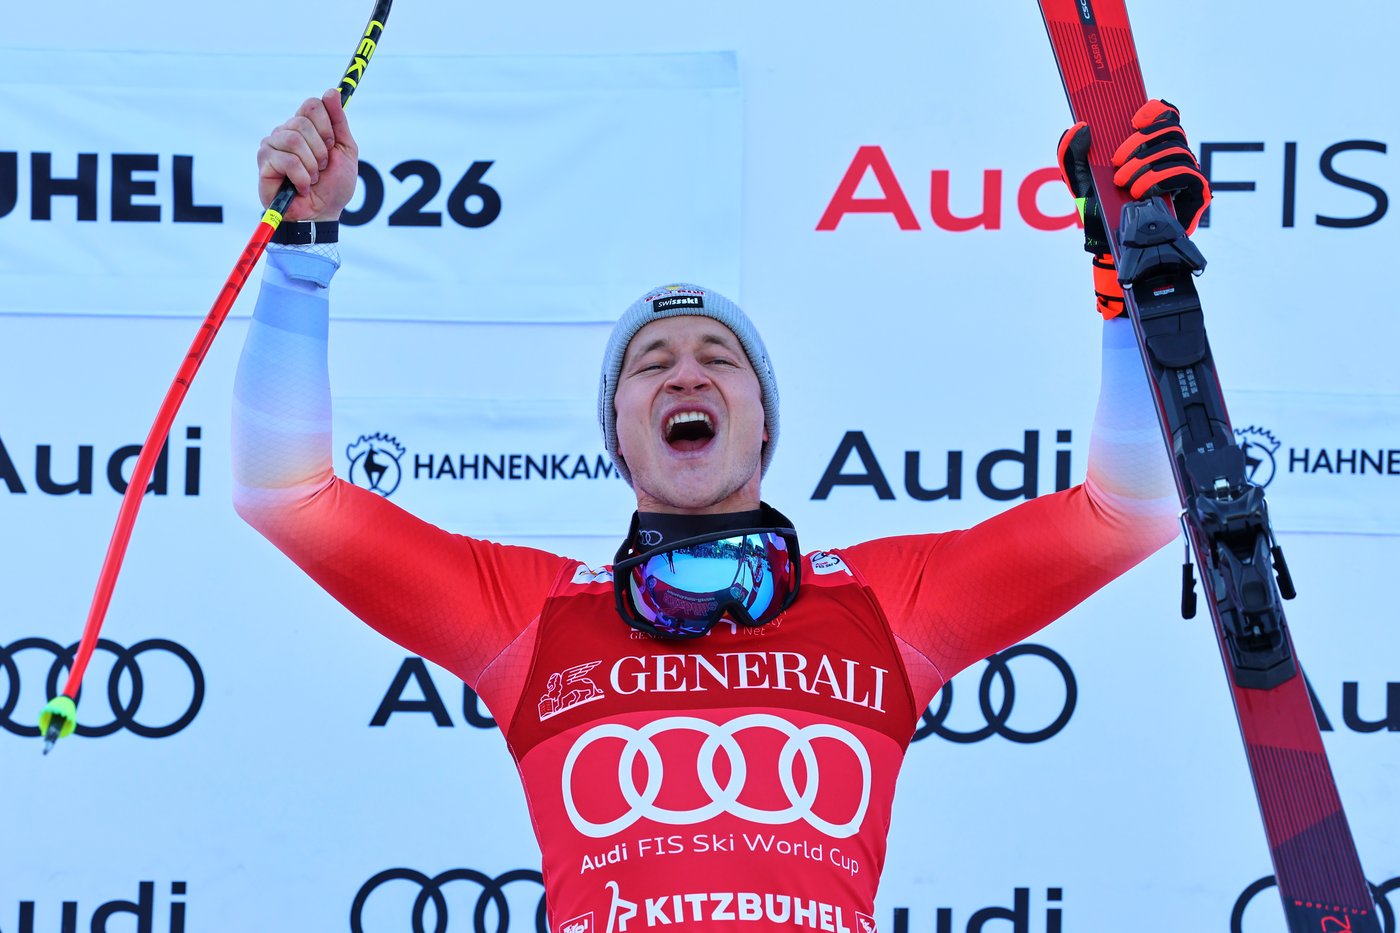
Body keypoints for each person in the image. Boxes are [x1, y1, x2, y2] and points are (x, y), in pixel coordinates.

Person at [235, 89, 1207, 932]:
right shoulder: (530, 618)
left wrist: (1130, 288)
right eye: (649, 365)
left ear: (762, 425)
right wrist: (300, 253)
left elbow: (1129, 510)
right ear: (616, 432)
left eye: (719, 359)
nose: (684, 371)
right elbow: (284, 494)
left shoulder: (883, 602)